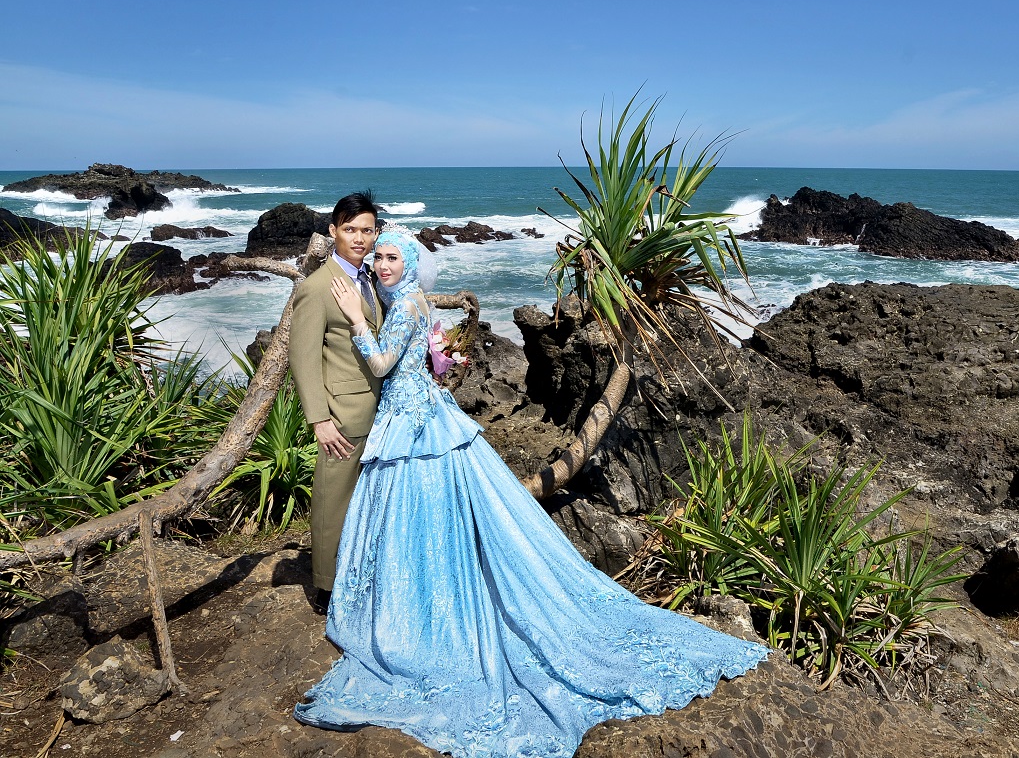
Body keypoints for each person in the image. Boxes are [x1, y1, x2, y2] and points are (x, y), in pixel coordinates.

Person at [293, 224, 768, 757]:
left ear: (407, 263)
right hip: (419, 418)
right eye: (377, 258)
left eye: (390, 258)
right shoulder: (419, 304)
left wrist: (358, 321)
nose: (381, 266)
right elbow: (432, 363)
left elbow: (381, 363)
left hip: (413, 427)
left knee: (420, 515)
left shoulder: (402, 307)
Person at [287, 192, 385, 612]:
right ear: (332, 231)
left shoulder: (372, 279)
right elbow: (303, 358)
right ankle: (325, 586)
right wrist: (319, 420)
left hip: (379, 408)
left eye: (366, 230)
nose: (359, 238)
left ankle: (359, 568)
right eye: (350, 229)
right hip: (342, 415)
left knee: (365, 496)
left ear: (376, 233)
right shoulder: (317, 287)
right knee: (333, 496)